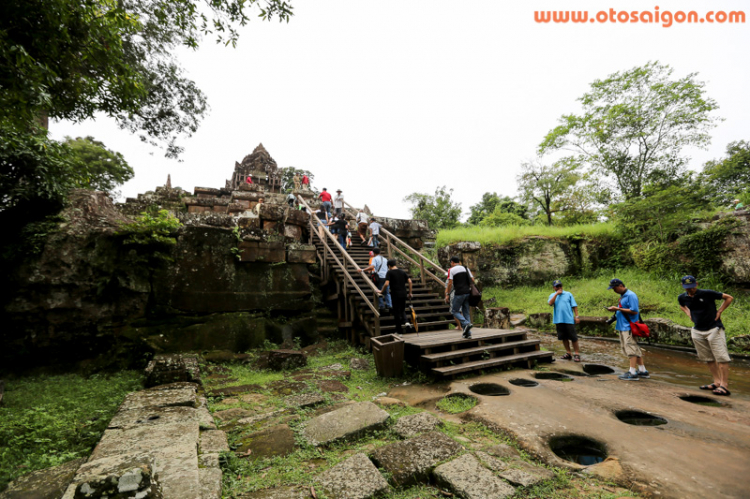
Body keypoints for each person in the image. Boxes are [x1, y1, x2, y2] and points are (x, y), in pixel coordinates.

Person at [678, 275, 734, 396]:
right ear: (683, 286)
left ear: (696, 284)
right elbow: (682, 305)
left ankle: (724, 385)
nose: (690, 290)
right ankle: (717, 382)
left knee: (721, 357)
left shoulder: (707, 293)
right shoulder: (682, 297)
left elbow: (729, 298)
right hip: (697, 330)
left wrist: (719, 311)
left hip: (714, 328)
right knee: (708, 358)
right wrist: (689, 314)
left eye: (692, 287)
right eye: (687, 288)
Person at [607, 278, 650, 381]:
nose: (614, 290)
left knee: (631, 349)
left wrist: (617, 309)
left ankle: (632, 372)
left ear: (621, 285)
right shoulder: (623, 296)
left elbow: (634, 311)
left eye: (615, 288)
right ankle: (642, 370)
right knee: (633, 348)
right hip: (623, 326)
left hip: (629, 327)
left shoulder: (631, 295)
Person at [548, 280, 581, 362]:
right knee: (564, 337)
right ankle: (569, 353)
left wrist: (577, 316)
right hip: (559, 320)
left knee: (573, 337)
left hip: (569, 319)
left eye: (560, 286)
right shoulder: (552, 295)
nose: (559, 288)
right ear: (554, 288)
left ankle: (577, 354)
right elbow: (550, 303)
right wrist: (556, 294)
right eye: (557, 286)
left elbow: (574, 306)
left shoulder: (568, 294)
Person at [380, 259, 413, 336]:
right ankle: (406, 322)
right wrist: (410, 292)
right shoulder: (402, 272)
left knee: (396, 312)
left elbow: (386, 284)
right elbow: (410, 281)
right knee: (402, 309)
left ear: (389, 266)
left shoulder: (389, 272)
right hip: (404, 293)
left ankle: (399, 331)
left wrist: (381, 291)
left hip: (395, 294)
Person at [445, 256, 475, 338]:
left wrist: (447, 293)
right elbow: (472, 280)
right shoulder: (465, 268)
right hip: (467, 293)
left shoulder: (451, 270)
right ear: (459, 262)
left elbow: (450, 283)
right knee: (466, 312)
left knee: (454, 311)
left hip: (459, 293)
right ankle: (468, 334)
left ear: (452, 262)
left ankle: (466, 323)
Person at [358, 248, 391, 312]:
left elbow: (372, 267)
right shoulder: (385, 259)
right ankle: (389, 305)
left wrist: (362, 270)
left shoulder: (374, 259)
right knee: (387, 292)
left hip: (379, 277)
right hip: (386, 277)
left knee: (378, 290)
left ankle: (381, 306)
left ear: (374, 253)